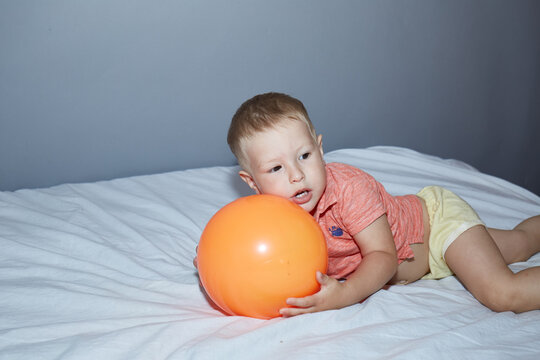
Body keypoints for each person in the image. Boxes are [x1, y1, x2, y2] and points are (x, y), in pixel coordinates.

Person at [221, 92, 540, 316]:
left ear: (320, 149)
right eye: (275, 168)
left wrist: (344, 295)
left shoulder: (348, 189)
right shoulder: (271, 212)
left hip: (435, 227)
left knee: (502, 293)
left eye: (304, 156)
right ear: (252, 183)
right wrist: (219, 261)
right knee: (519, 244)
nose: (296, 175)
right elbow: (247, 247)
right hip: (426, 260)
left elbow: (384, 257)